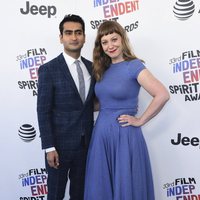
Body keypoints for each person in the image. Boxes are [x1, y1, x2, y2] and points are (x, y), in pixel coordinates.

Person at [84, 21, 170, 200]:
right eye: (105, 42)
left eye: (114, 39)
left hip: (125, 137)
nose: (110, 45)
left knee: (126, 186)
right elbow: (103, 102)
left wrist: (140, 120)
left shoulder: (134, 66)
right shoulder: (102, 69)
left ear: (123, 39)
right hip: (101, 136)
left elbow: (162, 94)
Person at [37, 14, 95, 200]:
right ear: (61, 37)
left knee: (80, 195)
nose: (74, 37)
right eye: (68, 33)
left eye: (78, 32)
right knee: (55, 195)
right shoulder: (49, 69)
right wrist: (49, 147)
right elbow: (43, 110)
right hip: (59, 148)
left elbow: (90, 103)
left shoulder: (93, 68)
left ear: (84, 37)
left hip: (87, 145)